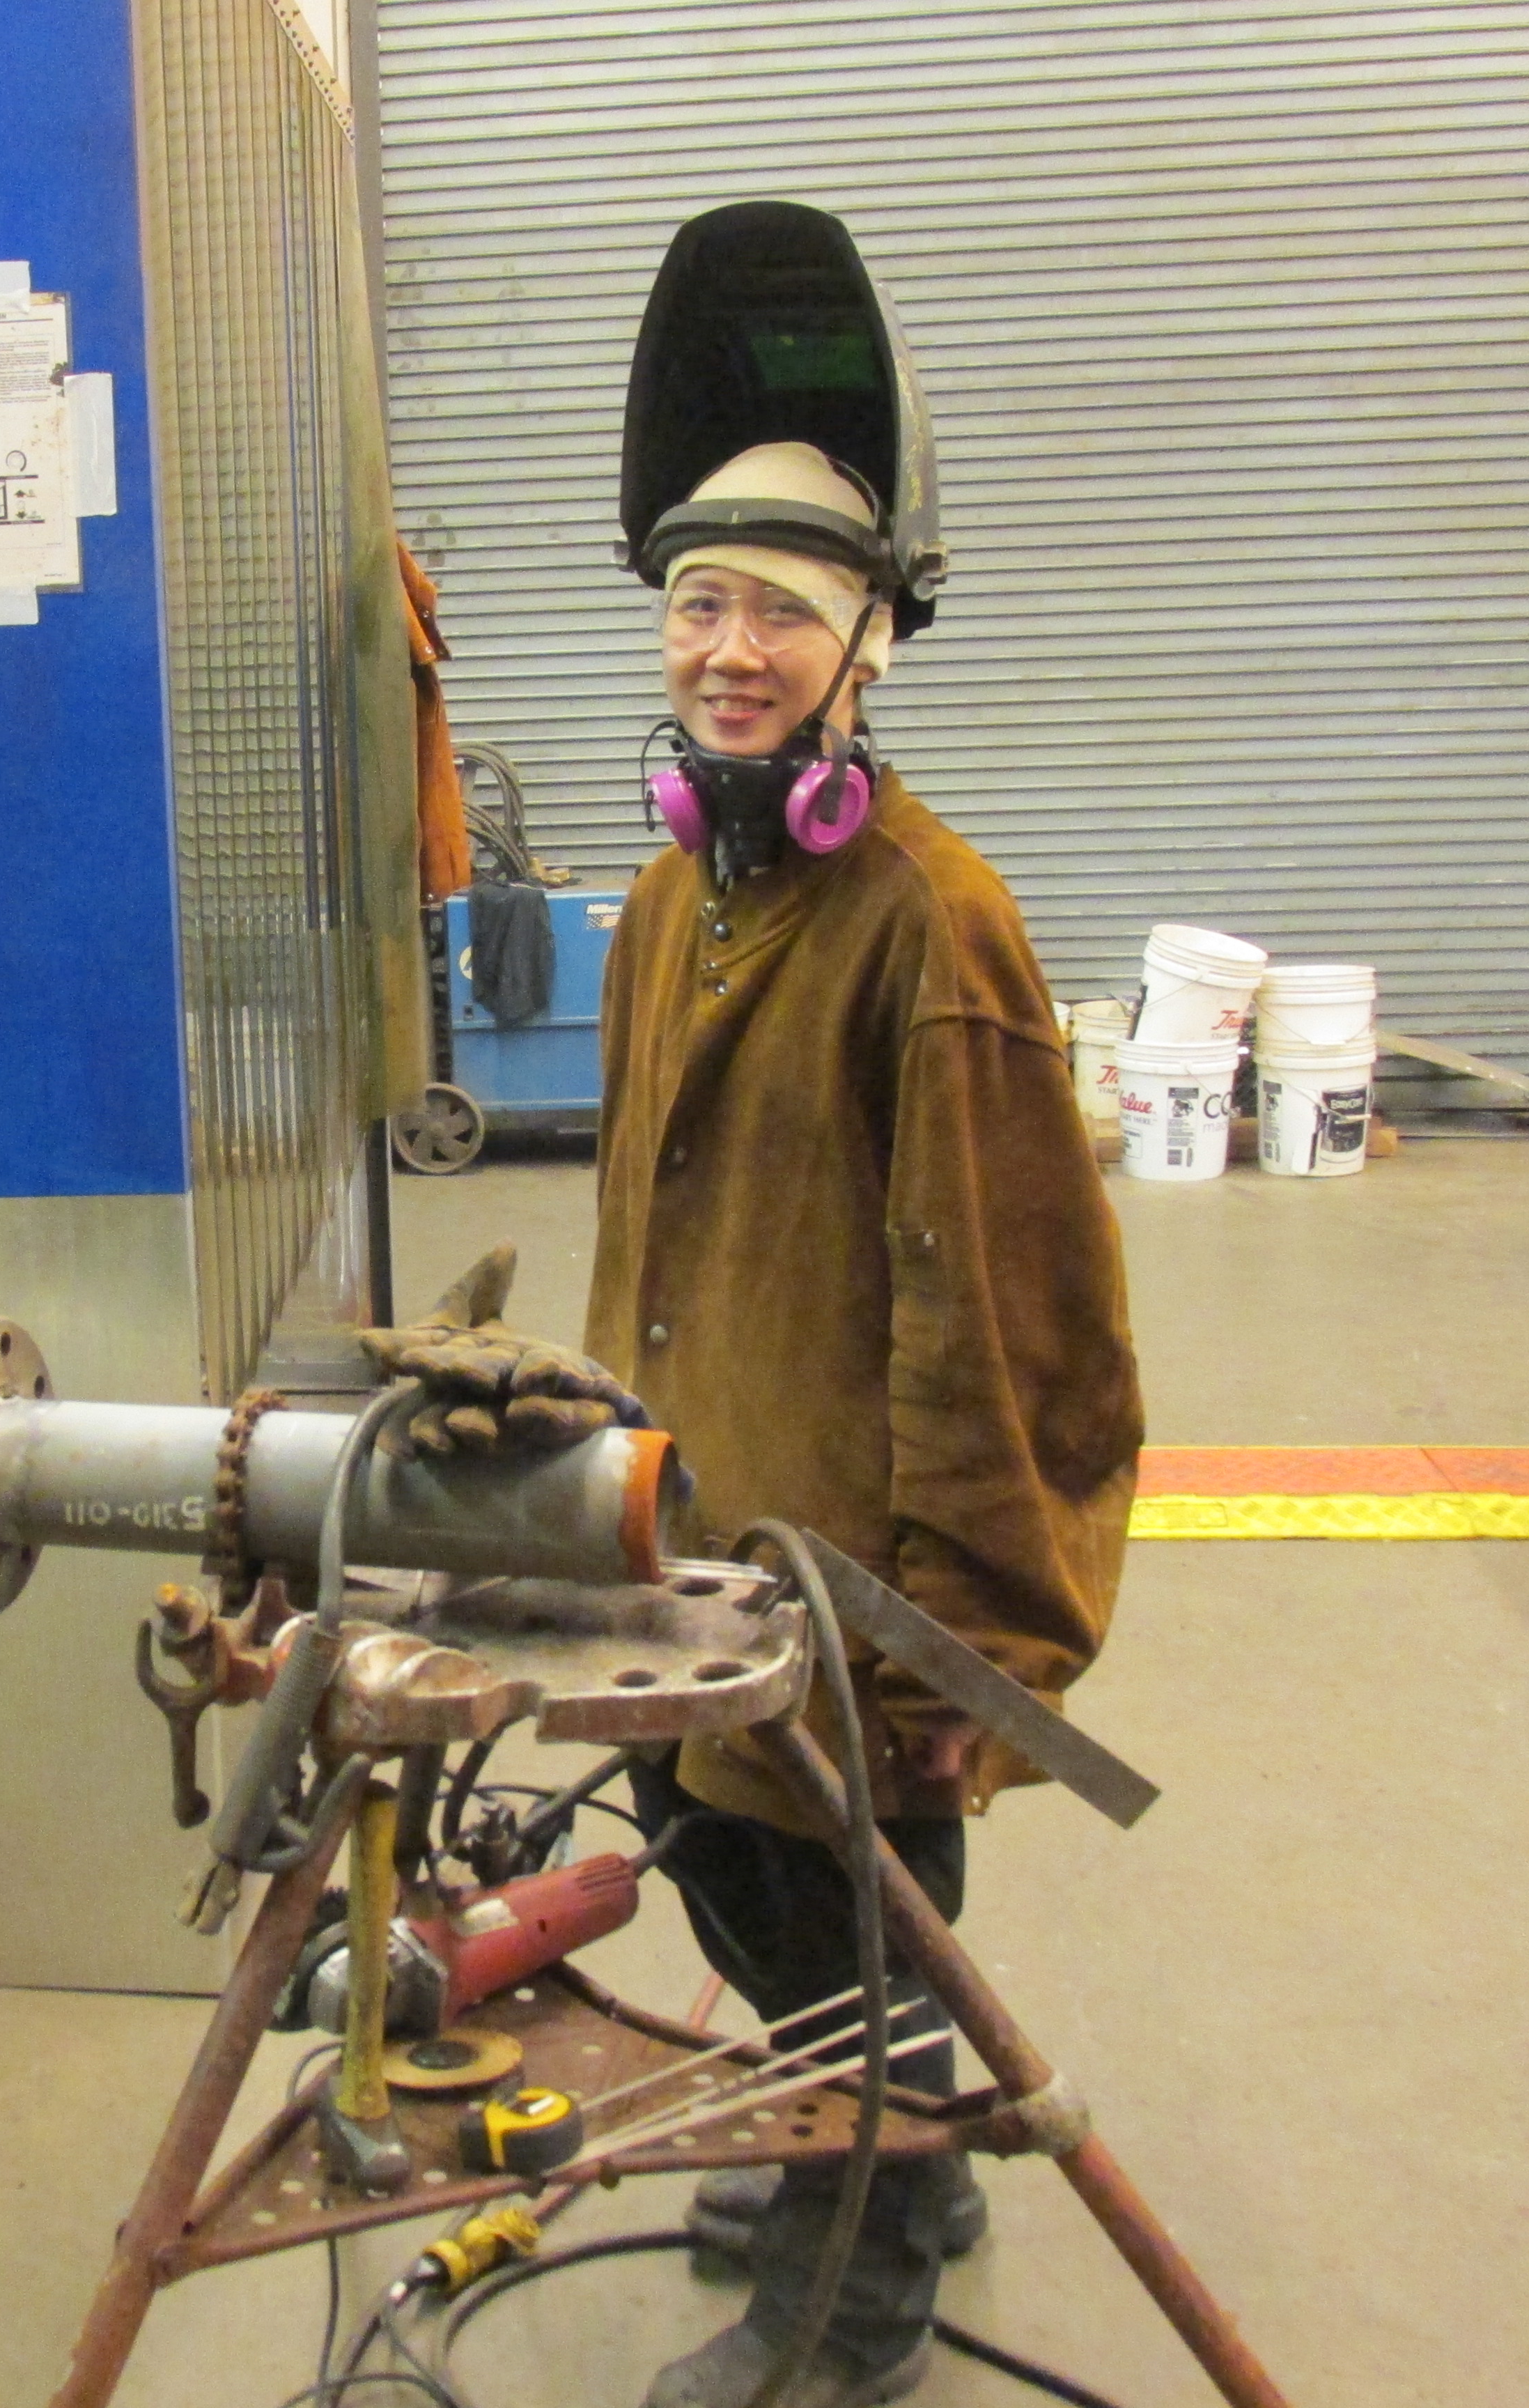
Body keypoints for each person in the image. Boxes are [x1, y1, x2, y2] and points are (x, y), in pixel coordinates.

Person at [578, 222, 1144, 2408]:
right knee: (726, 1874)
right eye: (699, 606)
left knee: (848, 1928)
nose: (730, 653)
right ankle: (863, 2170)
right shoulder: (670, 896)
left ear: (869, 652)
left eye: (783, 616)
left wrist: (976, 1652)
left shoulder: (933, 929)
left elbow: (1020, 1337)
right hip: (696, 1533)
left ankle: (866, 2292)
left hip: (853, 1589)